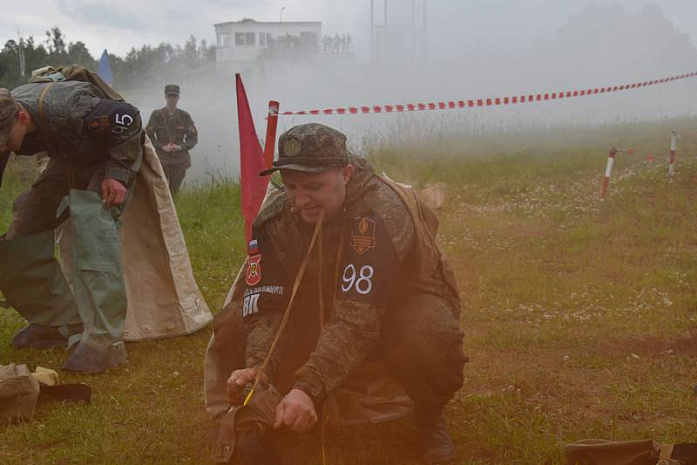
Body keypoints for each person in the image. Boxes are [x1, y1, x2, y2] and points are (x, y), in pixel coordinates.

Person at [205, 123, 467, 464]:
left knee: (428, 332)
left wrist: (308, 386)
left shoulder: (376, 214)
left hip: (390, 313)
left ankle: (429, 416)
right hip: (319, 312)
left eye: (314, 187)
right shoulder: (275, 218)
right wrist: (260, 366)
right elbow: (266, 305)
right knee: (233, 325)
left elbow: (357, 317)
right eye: (292, 186)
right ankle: (273, 411)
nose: (300, 201)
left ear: (345, 173)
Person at [0, 72, 143, 374]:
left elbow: (128, 119)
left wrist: (117, 173)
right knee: (20, 234)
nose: (3, 148)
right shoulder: (6, 118)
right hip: (67, 160)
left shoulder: (73, 108)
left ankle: (106, 343)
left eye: (4, 141)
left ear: (23, 117)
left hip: (106, 158)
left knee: (93, 233)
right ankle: (58, 322)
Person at [145, 84, 198, 195]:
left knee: (174, 190)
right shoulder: (157, 115)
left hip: (179, 160)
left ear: (178, 97)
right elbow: (148, 136)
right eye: (170, 96)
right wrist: (162, 147)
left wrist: (180, 147)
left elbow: (193, 138)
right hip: (161, 158)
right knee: (160, 189)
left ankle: (175, 211)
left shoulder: (184, 116)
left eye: (174, 96)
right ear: (165, 97)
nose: (172, 98)